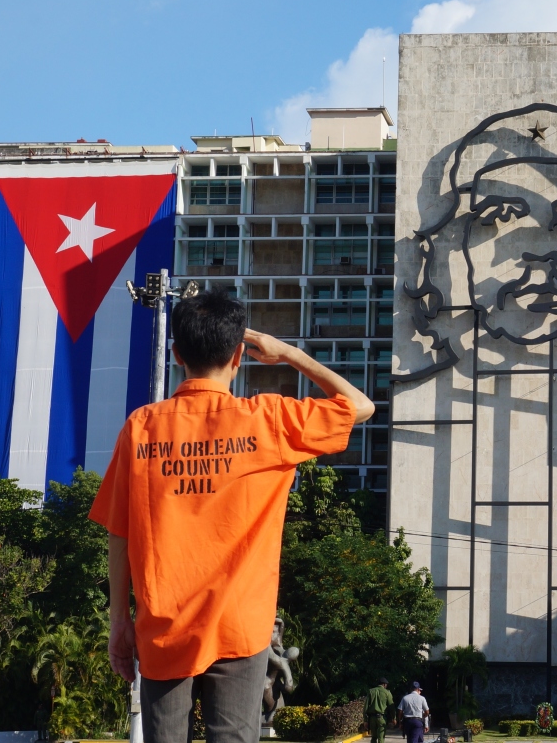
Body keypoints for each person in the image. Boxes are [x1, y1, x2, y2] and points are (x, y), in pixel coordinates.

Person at [92, 290, 374, 743]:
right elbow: (361, 405)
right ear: (240, 355)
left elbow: (119, 531)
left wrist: (119, 622)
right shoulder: (270, 421)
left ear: (177, 353)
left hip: (164, 627)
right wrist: (288, 354)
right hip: (241, 624)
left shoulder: (142, 427)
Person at [367, 678, 395, 743]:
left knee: (373, 737)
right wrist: (394, 718)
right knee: (381, 738)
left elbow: (366, 707)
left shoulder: (371, 691)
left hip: (372, 718)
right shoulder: (387, 692)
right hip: (381, 718)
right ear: (384, 684)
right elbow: (391, 707)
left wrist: (365, 720)